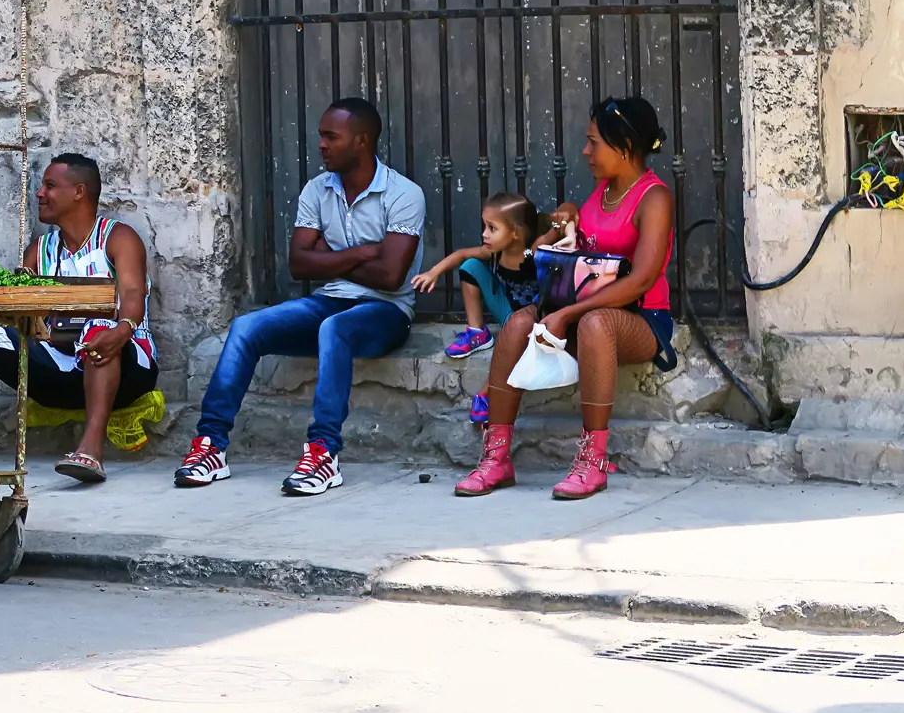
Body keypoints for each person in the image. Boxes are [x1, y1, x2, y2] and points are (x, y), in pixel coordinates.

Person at [175, 98, 424, 496]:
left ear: (361, 141)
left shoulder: (404, 194)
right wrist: (362, 253)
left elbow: (392, 277)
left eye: (331, 136)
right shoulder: (317, 189)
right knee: (246, 327)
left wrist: (327, 256)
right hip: (330, 300)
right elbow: (298, 264)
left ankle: (323, 452)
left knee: (335, 328)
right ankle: (210, 446)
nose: (321, 144)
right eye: (321, 135)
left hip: (385, 310)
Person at [455, 96, 675, 501]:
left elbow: (642, 278)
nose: (585, 151)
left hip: (641, 320)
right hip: (585, 312)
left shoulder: (654, 198)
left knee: (596, 322)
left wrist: (569, 312)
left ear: (624, 147)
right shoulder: (602, 189)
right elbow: (568, 246)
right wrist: (568, 214)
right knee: (519, 322)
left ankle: (593, 462)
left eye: (594, 142)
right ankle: (496, 458)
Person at [0, 154, 160, 484]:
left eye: (50, 185)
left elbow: (132, 294)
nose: (40, 193)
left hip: (126, 369)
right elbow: (17, 312)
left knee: (98, 324)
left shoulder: (118, 238)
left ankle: (90, 452)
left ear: (79, 192)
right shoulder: (38, 251)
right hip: (57, 372)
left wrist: (123, 328)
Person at [410, 194, 565, 360]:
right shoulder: (494, 253)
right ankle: (478, 333)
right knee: (470, 266)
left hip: (534, 324)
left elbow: (559, 225)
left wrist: (563, 215)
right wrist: (433, 272)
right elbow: (461, 254)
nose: (484, 234)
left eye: (492, 228)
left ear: (515, 233)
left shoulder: (533, 251)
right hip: (508, 318)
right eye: (485, 226)